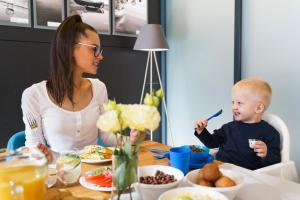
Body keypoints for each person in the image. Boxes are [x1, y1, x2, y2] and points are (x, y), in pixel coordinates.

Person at [21, 15, 139, 162]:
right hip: (60, 175)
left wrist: (132, 140)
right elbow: (33, 145)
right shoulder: (33, 95)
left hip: (96, 174)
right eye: (94, 49)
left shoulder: (99, 88)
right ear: (71, 48)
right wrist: (40, 154)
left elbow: (107, 137)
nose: (100, 56)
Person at [194, 78, 281, 170]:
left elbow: (276, 162)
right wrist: (201, 131)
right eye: (233, 102)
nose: (234, 107)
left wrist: (266, 154)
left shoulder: (270, 133)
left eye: (239, 103)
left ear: (258, 108)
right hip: (221, 170)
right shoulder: (228, 128)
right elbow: (212, 143)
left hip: (249, 176)